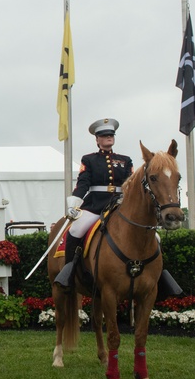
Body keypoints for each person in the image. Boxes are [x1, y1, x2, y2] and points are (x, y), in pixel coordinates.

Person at [54, 118, 181, 300]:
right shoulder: (89, 160)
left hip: (119, 205)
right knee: (76, 229)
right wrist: (75, 201)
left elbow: (132, 184)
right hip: (95, 205)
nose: (108, 138)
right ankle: (69, 272)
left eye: (110, 135)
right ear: (97, 140)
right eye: (104, 135)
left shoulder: (125, 160)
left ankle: (159, 277)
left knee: (155, 237)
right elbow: (83, 183)